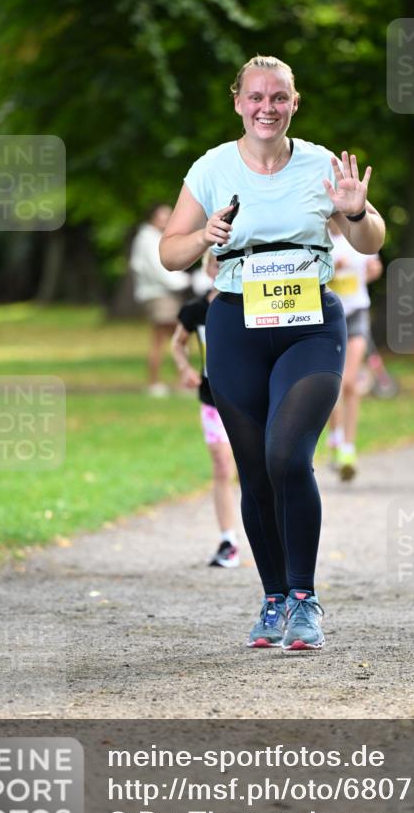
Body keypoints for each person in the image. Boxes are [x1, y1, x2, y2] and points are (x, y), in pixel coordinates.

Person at [160, 54, 385, 650]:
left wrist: (355, 209)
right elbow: (169, 252)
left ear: (294, 102)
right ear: (238, 101)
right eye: (256, 96)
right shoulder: (210, 168)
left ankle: (305, 600)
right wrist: (201, 236)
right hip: (235, 323)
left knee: (288, 456)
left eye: (278, 97)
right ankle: (273, 598)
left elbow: (370, 239)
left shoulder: (320, 165)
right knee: (255, 470)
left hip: (310, 322)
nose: (267, 107)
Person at [171, 252, 241, 567]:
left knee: (253, 467)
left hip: (248, 399)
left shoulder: (249, 304)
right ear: (207, 268)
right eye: (215, 262)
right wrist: (185, 368)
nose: (221, 267)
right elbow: (177, 343)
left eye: (226, 262)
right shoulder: (196, 310)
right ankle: (228, 539)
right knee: (222, 465)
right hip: (212, 398)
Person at [326, 228, 383, 480]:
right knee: (332, 384)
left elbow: (374, 267)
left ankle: (348, 448)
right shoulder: (318, 235)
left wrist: (372, 271)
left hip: (357, 313)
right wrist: (333, 269)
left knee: (350, 383)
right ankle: (335, 437)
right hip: (328, 315)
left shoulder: (359, 233)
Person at [130, 203, 190, 396]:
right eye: (162, 216)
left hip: (162, 294)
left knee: (169, 338)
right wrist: (185, 281)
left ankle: (172, 381)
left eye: (168, 216)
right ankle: (161, 382)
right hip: (160, 295)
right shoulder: (149, 240)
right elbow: (159, 270)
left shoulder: (153, 237)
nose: (166, 219)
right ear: (152, 218)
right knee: (172, 338)